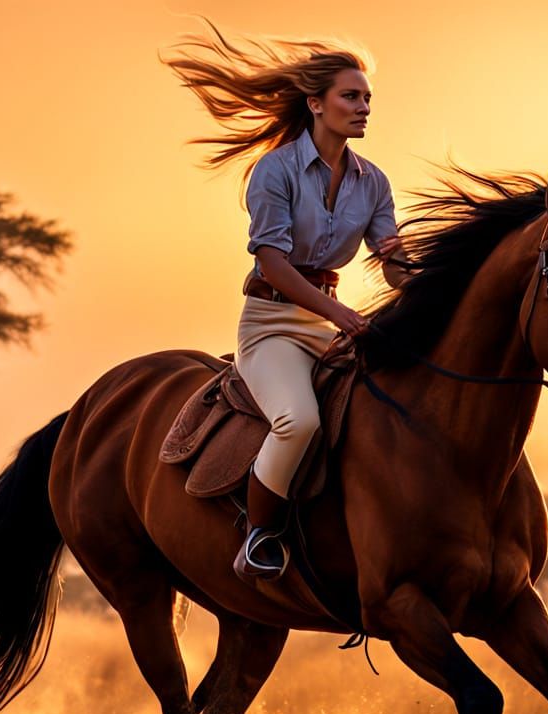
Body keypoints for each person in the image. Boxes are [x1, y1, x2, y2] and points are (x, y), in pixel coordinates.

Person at [164, 25, 409, 582]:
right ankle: (259, 537)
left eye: (368, 98)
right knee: (297, 421)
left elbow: (390, 261)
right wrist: (341, 315)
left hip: (327, 325)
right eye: (352, 96)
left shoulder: (375, 183)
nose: (364, 107)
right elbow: (272, 264)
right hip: (272, 323)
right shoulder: (274, 171)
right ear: (315, 103)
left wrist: (416, 273)